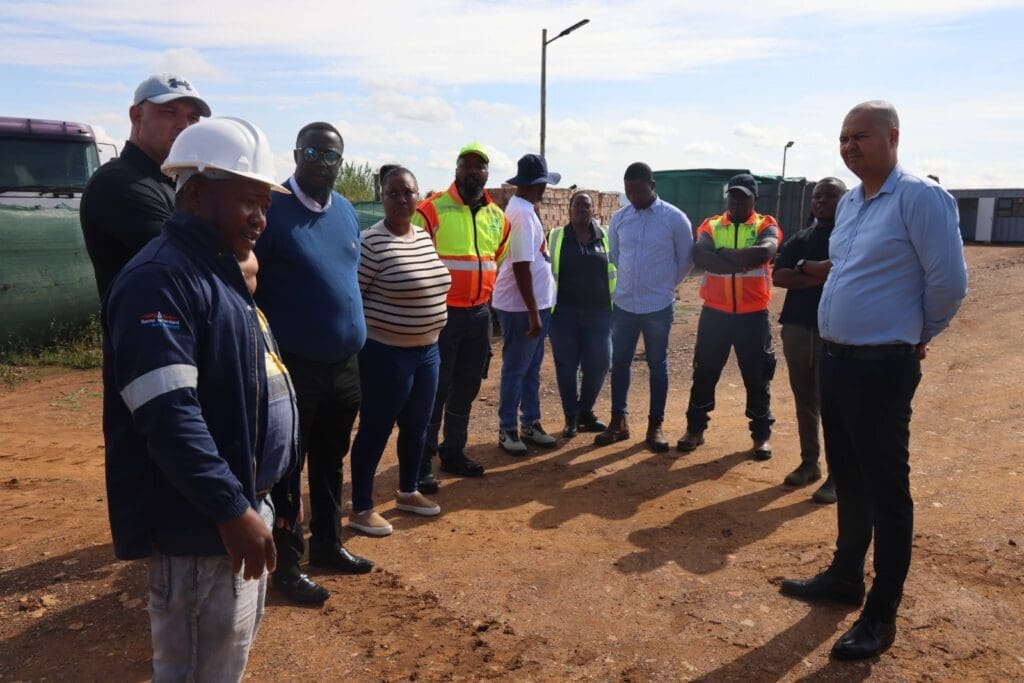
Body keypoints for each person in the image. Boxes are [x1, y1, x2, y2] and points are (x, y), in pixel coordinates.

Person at [102, 117, 293, 681]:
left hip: (239, 508)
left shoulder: (218, 270)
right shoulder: (160, 279)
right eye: (248, 201)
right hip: (201, 527)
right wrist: (231, 508)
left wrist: (272, 490)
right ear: (197, 195)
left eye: (265, 205)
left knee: (223, 665)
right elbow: (168, 413)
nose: (260, 219)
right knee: (193, 671)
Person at [781, 101, 967, 660]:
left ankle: (882, 613)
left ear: (893, 136)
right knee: (849, 476)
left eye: (860, 136)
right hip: (836, 359)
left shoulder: (919, 197)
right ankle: (845, 576)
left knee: (886, 487)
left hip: (882, 364)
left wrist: (915, 332)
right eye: (843, 138)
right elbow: (848, 271)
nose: (849, 146)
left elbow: (948, 283)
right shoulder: (852, 204)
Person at [254, 122, 373, 606]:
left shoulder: (345, 211)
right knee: (287, 467)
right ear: (295, 154)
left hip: (344, 365)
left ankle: (328, 543)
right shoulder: (272, 209)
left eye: (331, 156)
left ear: (341, 162)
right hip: (294, 367)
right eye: (312, 153)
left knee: (330, 459)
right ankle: (287, 565)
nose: (321, 163)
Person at [348, 168, 451, 536]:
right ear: (382, 198)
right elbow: (354, 298)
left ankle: (408, 491)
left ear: (418, 196)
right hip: (386, 354)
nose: (401, 199)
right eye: (393, 193)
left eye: (408, 192)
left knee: (417, 427)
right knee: (375, 428)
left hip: (428, 351)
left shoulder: (423, 236)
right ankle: (361, 507)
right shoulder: (371, 242)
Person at [412, 143, 511, 486]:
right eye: (466, 165)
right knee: (434, 389)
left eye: (479, 166)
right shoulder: (431, 209)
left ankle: (453, 452)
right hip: (441, 315)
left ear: (487, 173)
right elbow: (414, 258)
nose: (472, 171)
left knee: (467, 386)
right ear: (456, 170)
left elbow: (497, 258)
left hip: (479, 316)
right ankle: (421, 463)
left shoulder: (497, 217)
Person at [81, 73, 225, 298]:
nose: (184, 126)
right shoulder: (118, 184)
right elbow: (196, 268)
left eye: (193, 118)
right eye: (169, 112)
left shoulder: (173, 182)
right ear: (136, 116)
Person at [676, 174, 782, 460]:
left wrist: (722, 255)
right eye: (732, 196)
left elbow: (764, 252)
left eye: (742, 197)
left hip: (752, 316)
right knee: (704, 373)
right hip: (715, 315)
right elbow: (700, 256)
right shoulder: (711, 225)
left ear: (754, 199)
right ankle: (695, 430)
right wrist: (739, 261)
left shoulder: (766, 224)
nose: (736, 202)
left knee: (757, 376)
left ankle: (761, 435)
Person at [595, 162, 694, 451]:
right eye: (628, 191)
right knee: (620, 364)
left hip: (658, 307)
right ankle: (619, 422)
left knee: (657, 365)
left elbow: (687, 258)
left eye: (637, 191)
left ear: (651, 186)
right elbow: (615, 255)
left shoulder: (674, 218)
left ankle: (655, 426)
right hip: (624, 305)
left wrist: (667, 286)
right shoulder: (619, 218)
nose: (633, 197)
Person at [772, 177, 848, 504]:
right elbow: (778, 276)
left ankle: (838, 475)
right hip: (798, 328)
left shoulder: (850, 238)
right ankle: (809, 463)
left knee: (833, 404)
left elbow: (842, 271)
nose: (821, 201)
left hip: (836, 332)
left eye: (830, 196)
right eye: (818, 196)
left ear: (845, 201)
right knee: (805, 400)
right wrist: (819, 275)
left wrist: (804, 271)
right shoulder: (801, 238)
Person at [492, 154, 562, 454]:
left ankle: (530, 423)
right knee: (516, 369)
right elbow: (521, 267)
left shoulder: (525, 209)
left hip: (534, 306)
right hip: (521, 308)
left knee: (531, 369)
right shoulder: (520, 214)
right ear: (539, 184)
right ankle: (507, 428)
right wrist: (533, 314)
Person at [547, 192, 616, 437]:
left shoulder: (605, 236)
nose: (581, 209)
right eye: (577, 205)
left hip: (599, 312)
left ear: (593, 210)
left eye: (586, 206)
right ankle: (571, 417)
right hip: (563, 313)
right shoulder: (556, 236)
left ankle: (585, 410)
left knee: (600, 362)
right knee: (566, 365)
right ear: (569, 209)